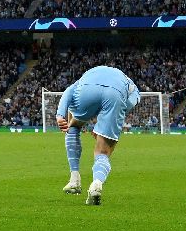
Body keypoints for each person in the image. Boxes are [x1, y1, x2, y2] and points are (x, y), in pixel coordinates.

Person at [55, 64, 141, 206]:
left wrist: (59, 116)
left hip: (87, 90)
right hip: (116, 94)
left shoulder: (85, 77)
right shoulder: (132, 87)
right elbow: (130, 102)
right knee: (103, 152)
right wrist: (102, 125)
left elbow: (68, 92)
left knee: (74, 126)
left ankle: (74, 179)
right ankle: (96, 184)